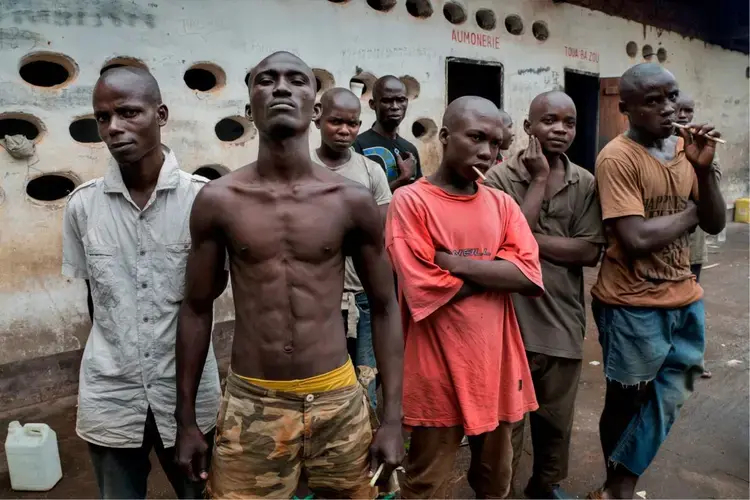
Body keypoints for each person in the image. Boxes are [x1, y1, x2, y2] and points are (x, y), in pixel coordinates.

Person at [174, 52, 404, 499]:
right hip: (252, 401)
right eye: (266, 80)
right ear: (249, 107)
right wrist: (185, 421)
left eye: (296, 80)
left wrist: (392, 419)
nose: (280, 87)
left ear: (314, 108)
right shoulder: (218, 200)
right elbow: (196, 309)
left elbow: (385, 305)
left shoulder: (350, 200)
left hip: (337, 396)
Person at [61, 66, 222, 499]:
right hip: (110, 396)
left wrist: (187, 417)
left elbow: (205, 302)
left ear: (160, 114)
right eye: (102, 117)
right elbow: (98, 301)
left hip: (189, 397)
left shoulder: (203, 200)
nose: (113, 128)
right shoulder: (82, 207)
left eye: (128, 112)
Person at [386, 95, 543, 499]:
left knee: (495, 480)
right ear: (444, 136)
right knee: (427, 484)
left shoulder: (501, 203)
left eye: (496, 144)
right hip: (436, 372)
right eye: (476, 137)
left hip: (497, 368)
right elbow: (421, 284)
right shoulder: (411, 201)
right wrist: (495, 271)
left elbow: (527, 275)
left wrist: (450, 262)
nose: (488, 152)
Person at [588, 63, 726, 499]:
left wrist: (703, 172)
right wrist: (692, 213)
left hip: (684, 293)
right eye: (653, 101)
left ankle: (619, 482)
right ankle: (618, 487)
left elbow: (717, 221)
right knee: (625, 398)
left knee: (675, 388)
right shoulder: (617, 157)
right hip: (631, 302)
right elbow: (634, 238)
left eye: (672, 97)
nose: (668, 109)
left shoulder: (689, 147)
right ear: (626, 108)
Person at [484, 91, 606, 499]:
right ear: (527, 127)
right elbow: (501, 245)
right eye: (549, 121)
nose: (560, 130)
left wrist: (527, 238)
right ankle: (498, 487)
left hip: (561, 317)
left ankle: (545, 483)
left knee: (556, 418)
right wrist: (537, 181)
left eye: (568, 123)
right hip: (510, 322)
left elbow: (589, 252)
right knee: (505, 423)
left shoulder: (584, 181)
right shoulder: (500, 178)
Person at [312, 87, 393, 407]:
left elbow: (379, 232)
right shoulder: (302, 167)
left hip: (361, 294)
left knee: (365, 380)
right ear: (317, 119)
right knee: (320, 381)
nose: (345, 130)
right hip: (314, 296)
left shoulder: (370, 171)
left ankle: (363, 450)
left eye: (353, 123)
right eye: (336, 122)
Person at [675, 93, 721, 380]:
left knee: (690, 302)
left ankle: (692, 359)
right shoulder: (661, 146)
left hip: (692, 245)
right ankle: (675, 357)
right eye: (677, 109)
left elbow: (711, 197)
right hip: (665, 243)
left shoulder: (699, 146)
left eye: (687, 111)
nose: (682, 116)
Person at [353, 75, 422, 192]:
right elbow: (358, 199)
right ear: (372, 104)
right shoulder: (358, 146)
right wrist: (402, 179)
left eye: (401, 100)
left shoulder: (410, 149)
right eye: (387, 101)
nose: (395, 107)